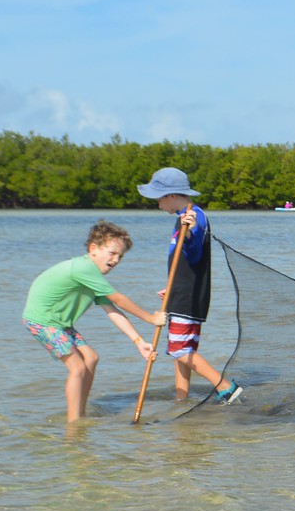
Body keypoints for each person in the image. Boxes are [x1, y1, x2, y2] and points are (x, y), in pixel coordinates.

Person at [22, 220, 162, 423]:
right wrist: (151, 318)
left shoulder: (92, 276)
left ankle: (81, 411)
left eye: (120, 256)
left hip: (60, 323)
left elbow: (112, 310)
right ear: (93, 249)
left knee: (91, 357)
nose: (116, 260)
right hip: (42, 321)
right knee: (77, 367)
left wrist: (139, 342)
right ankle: (74, 423)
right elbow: (119, 300)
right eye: (112, 253)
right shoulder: (83, 268)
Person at [136, 167, 244, 405]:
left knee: (180, 350)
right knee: (181, 351)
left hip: (188, 298)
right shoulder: (181, 218)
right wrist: (171, 287)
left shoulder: (193, 217)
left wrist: (191, 231)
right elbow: (182, 264)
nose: (157, 203)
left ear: (171, 196)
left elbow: (194, 252)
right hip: (181, 294)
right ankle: (181, 397)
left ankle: (226, 387)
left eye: (158, 198)